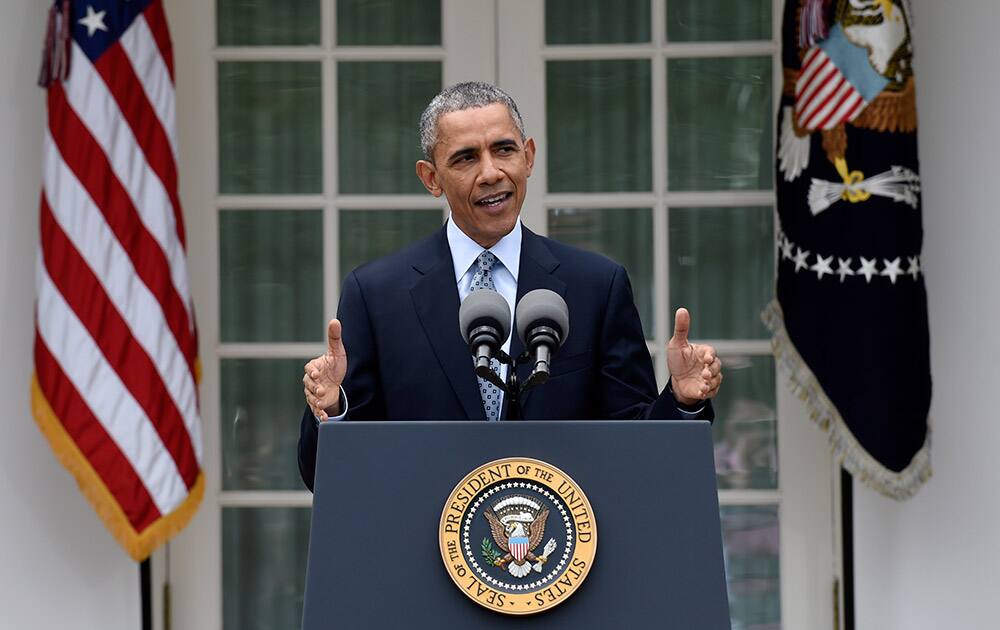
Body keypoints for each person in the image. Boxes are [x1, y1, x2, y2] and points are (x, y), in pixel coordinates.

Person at [297, 82, 722, 490]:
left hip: (565, 551)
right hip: (420, 552)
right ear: (431, 178)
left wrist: (682, 402)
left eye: (504, 150)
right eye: (465, 158)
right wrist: (332, 410)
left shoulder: (596, 285)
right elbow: (328, 477)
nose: (490, 173)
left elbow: (640, 453)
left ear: (529, 156)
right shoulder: (376, 295)